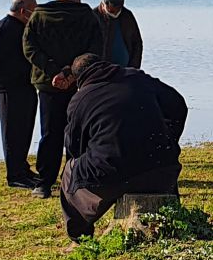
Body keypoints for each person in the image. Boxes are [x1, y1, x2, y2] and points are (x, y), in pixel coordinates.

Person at [60, 54, 188, 240]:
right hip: (162, 169)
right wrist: (169, 138)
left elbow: (73, 146)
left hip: (110, 174)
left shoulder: (80, 99)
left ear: (79, 79)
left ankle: (80, 236)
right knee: (158, 153)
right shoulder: (138, 78)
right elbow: (178, 105)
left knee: (70, 171)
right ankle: (172, 219)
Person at [22, 0, 104, 198]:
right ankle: (75, 179)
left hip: (48, 84)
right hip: (79, 83)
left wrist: (53, 71)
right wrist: (70, 73)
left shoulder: (39, 15)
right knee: (78, 132)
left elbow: (29, 48)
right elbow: (95, 50)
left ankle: (44, 183)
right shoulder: (88, 17)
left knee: (49, 133)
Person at [0, 0, 39, 188]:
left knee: (25, 129)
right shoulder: (2, 29)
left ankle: (23, 169)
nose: (36, 13)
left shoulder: (23, 27)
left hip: (26, 86)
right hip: (9, 88)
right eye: (34, 9)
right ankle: (14, 176)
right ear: (23, 11)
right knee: (12, 131)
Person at [94, 0, 143, 68]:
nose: (116, 12)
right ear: (104, 5)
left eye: (118, 9)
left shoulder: (127, 15)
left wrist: (134, 67)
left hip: (126, 70)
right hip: (103, 70)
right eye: (112, 10)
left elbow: (137, 42)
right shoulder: (94, 16)